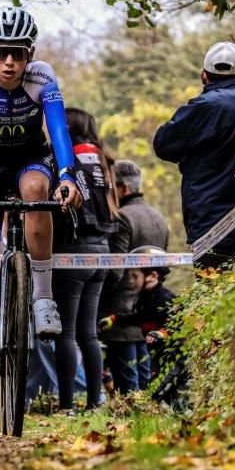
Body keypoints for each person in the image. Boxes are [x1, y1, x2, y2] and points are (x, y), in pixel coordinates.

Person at [0, 7, 81, 401]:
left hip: (30, 160)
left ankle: (42, 297)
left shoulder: (42, 77)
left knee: (36, 189)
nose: (9, 62)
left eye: (19, 53)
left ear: (31, 54)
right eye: (0, 52)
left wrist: (67, 176)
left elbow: (58, 129)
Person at [153, 41, 235, 269]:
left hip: (211, 224)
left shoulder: (205, 108)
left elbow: (163, 144)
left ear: (203, 76)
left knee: (212, 286)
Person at [52, 107, 118, 413]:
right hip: (102, 252)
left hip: (72, 251)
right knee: (88, 333)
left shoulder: (66, 159)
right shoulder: (101, 159)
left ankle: (66, 404)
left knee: (66, 332)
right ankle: (94, 402)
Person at [98, 159, 169, 394]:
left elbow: (116, 269)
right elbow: (164, 267)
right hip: (149, 314)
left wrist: (97, 299)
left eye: (111, 188)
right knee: (146, 383)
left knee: (127, 386)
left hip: (120, 311)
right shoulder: (158, 217)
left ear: (124, 188)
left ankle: (129, 414)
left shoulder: (121, 217)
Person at [98, 247, 175, 386]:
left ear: (152, 276)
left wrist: (162, 333)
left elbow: (178, 323)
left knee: (162, 391)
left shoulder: (165, 299)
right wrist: (115, 319)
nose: (131, 281)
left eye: (135, 276)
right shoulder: (144, 298)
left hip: (174, 357)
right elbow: (139, 317)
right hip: (157, 355)